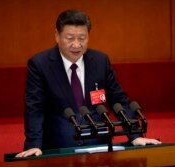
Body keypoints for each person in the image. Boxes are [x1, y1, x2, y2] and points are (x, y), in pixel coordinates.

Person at [16, 9, 161, 158]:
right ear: (57, 36)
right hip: (58, 150)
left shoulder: (100, 61)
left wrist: (135, 135)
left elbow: (119, 100)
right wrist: (34, 145)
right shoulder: (40, 64)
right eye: (70, 38)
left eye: (82, 38)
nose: (76, 44)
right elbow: (34, 108)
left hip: (100, 149)